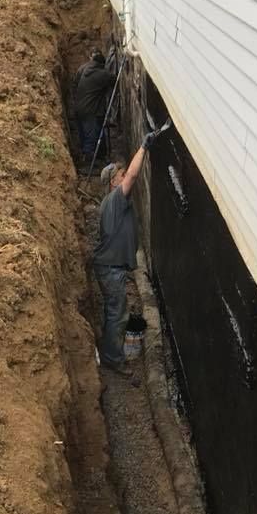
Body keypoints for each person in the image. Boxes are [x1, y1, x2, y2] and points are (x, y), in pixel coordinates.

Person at [94, 133, 156, 374]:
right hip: (111, 270)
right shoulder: (116, 200)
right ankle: (113, 358)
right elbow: (133, 175)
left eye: (122, 174)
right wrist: (143, 147)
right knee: (118, 315)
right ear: (114, 182)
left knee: (114, 310)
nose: (125, 178)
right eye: (120, 176)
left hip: (110, 267)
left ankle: (109, 348)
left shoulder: (111, 202)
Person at [71, 49, 114, 160]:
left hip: (79, 106)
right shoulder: (102, 74)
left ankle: (99, 154)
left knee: (86, 134)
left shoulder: (83, 68)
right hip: (90, 110)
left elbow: (75, 85)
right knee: (92, 136)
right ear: (102, 64)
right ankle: (89, 162)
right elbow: (113, 79)